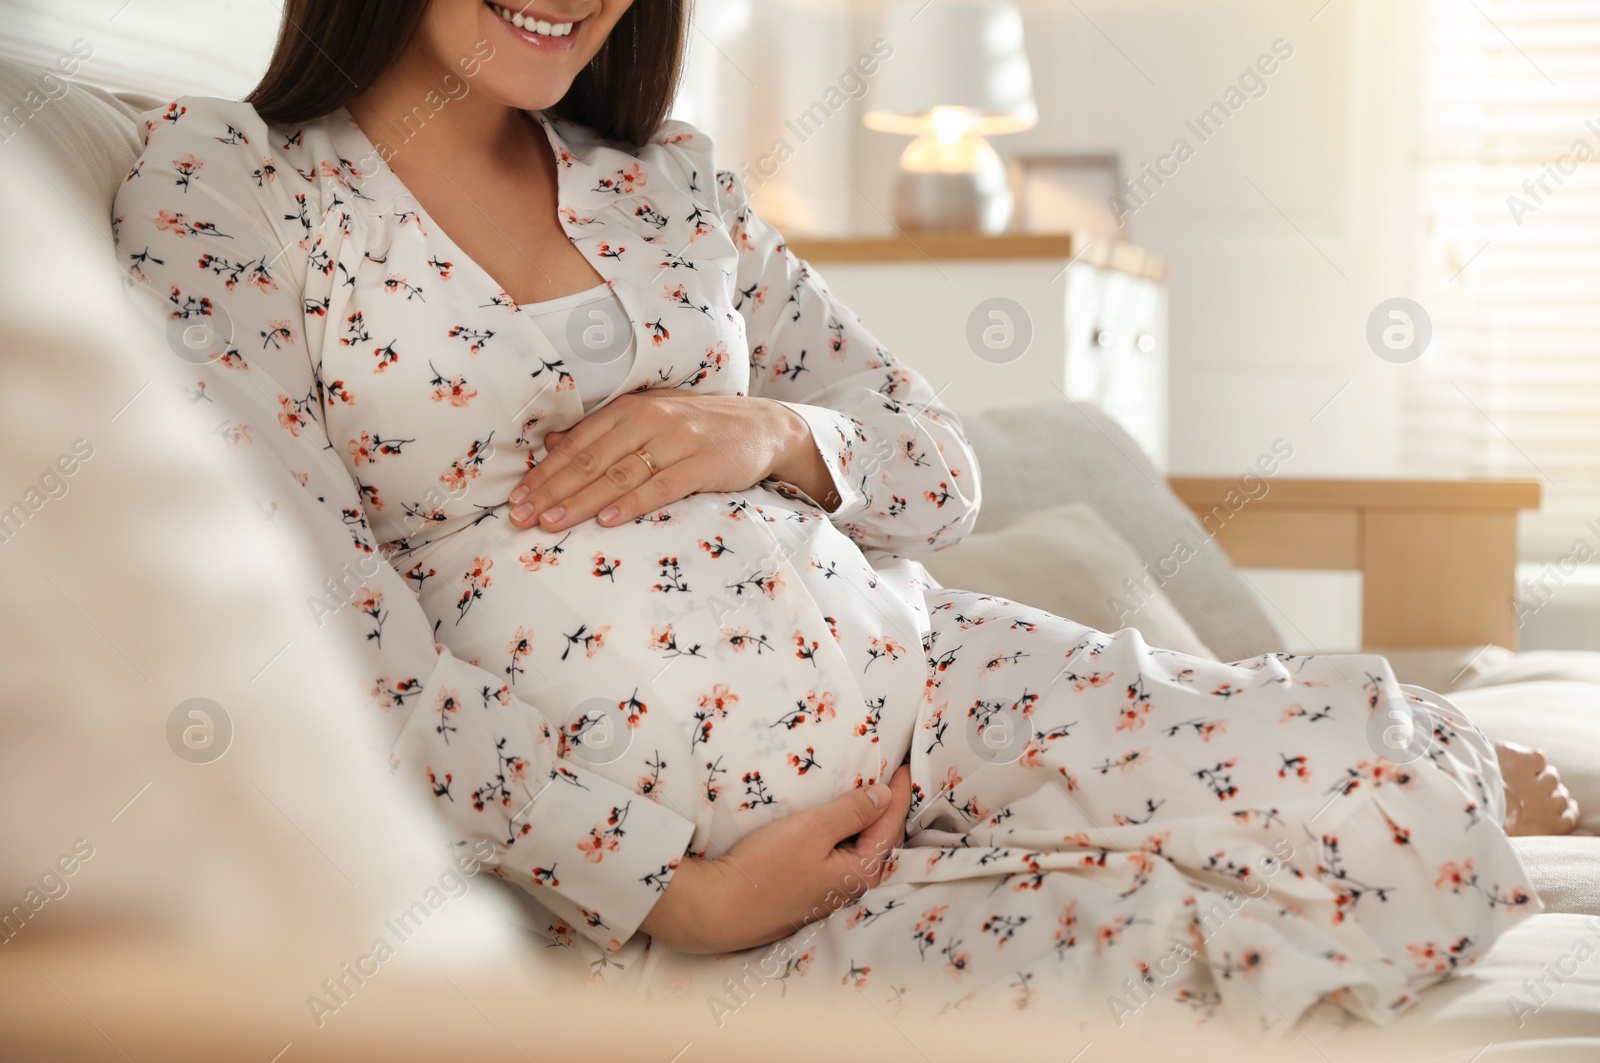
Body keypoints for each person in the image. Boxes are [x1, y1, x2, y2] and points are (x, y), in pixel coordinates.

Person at [112, 0, 1579, 1028]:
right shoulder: (229, 182)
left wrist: (771, 432)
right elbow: (313, 625)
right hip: (708, 858)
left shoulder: (670, 183)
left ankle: (1432, 761)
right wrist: (664, 891)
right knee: (1124, 964)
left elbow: (940, 470)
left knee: (1386, 789)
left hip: (935, 673)